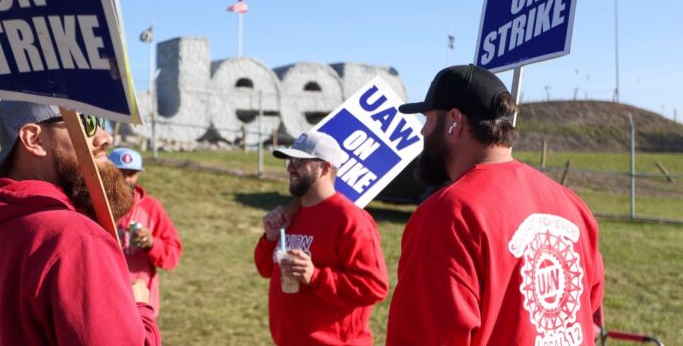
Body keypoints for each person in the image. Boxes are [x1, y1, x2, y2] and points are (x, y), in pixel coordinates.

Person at [386, 65, 604, 345]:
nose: (423, 132)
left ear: (454, 121)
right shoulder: (571, 203)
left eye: (427, 119)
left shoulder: (448, 215)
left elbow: (424, 336)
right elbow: (589, 301)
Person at [0, 101, 160, 345]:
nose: (105, 137)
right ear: (34, 139)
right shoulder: (75, 238)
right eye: (87, 122)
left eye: (100, 121)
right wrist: (140, 307)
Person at [254, 131, 389, 346]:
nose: (290, 167)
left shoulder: (350, 219)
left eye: (299, 161)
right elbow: (265, 270)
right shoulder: (292, 214)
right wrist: (269, 238)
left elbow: (374, 286)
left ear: (325, 167)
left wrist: (315, 276)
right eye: (290, 160)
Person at [109, 147, 182, 318]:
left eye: (131, 173)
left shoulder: (152, 207)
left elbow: (173, 256)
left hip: (140, 301)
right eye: (121, 172)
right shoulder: (94, 204)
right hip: (106, 295)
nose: (126, 179)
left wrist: (152, 244)